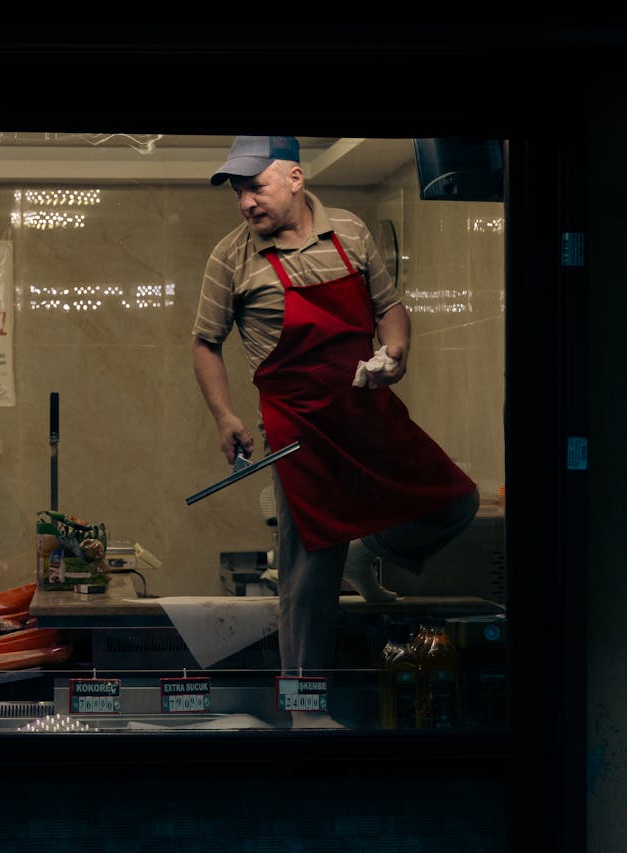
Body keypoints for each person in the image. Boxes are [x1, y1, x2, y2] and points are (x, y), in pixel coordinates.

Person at [191, 135, 480, 725]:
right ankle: (305, 708)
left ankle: (365, 553)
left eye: (256, 186)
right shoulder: (231, 255)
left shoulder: (349, 230)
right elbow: (204, 343)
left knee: (456, 501)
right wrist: (225, 416)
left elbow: (388, 308)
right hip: (297, 428)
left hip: (368, 411)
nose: (246, 202)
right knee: (308, 573)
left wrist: (395, 352)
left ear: (295, 178)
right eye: (238, 191)